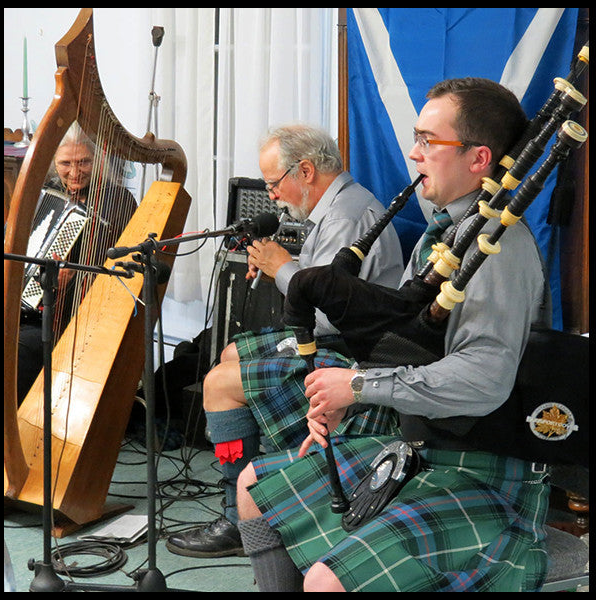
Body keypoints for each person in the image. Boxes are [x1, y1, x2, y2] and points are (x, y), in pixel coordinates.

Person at [235, 78, 552, 592]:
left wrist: (359, 388)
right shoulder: (443, 236)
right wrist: (348, 392)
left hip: (482, 471)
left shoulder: (497, 248)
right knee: (255, 486)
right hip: (418, 445)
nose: (412, 152)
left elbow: (486, 378)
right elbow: (407, 344)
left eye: (429, 141)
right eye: (415, 137)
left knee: (325, 581)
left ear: (479, 160)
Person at [166, 123, 405, 558]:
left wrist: (282, 270)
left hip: (354, 355)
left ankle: (241, 519)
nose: (271, 195)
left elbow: (324, 312)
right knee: (228, 353)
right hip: (335, 339)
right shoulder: (335, 210)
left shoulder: (348, 218)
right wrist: (282, 264)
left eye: (275, 184)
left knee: (219, 383)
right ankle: (266, 488)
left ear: (307, 170)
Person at [17, 126, 137, 402]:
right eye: (65, 163)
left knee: (19, 349)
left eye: (83, 161)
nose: (74, 172)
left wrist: (77, 274)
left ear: (98, 162)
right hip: (30, 309)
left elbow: (116, 266)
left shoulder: (117, 200)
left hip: (74, 313)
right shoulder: (44, 193)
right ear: (54, 164)